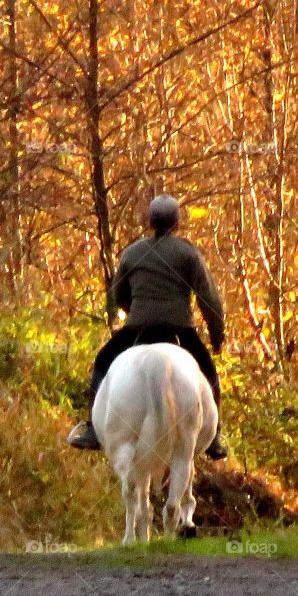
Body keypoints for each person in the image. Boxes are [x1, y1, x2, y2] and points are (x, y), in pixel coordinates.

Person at [67, 194, 229, 460]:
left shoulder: (132, 253)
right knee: (209, 373)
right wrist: (216, 336)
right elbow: (208, 298)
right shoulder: (188, 253)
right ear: (177, 223)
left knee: (102, 361)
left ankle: (94, 429)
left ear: (149, 221)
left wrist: (135, 312)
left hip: (137, 329)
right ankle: (214, 437)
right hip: (179, 330)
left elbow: (118, 295)